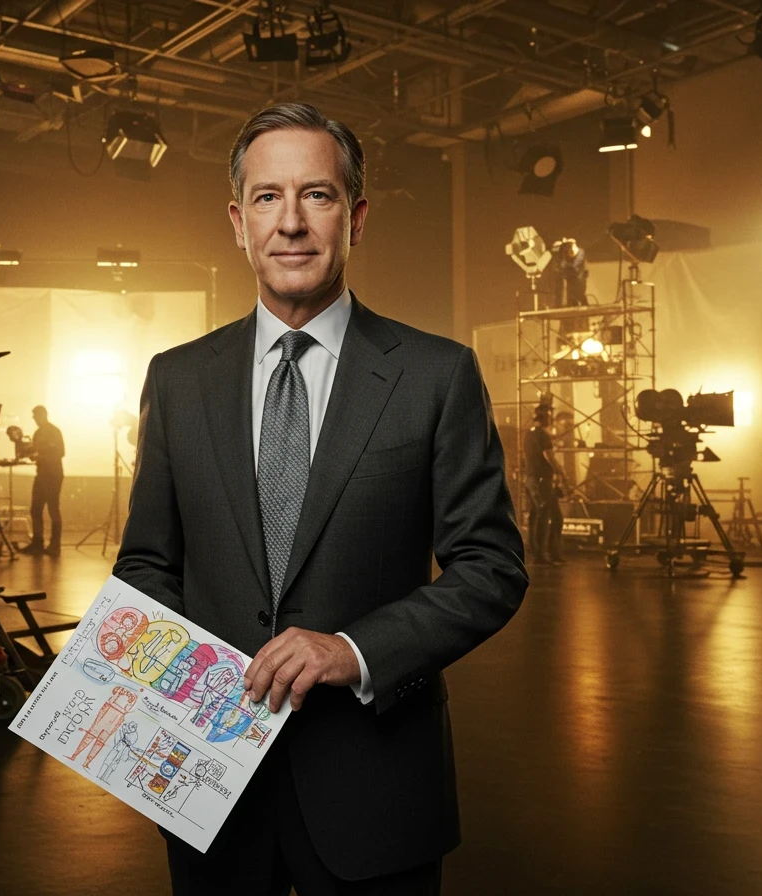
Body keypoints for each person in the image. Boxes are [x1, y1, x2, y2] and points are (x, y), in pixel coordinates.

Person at [112, 102, 526, 895]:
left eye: (318, 195)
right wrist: (178, 684)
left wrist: (355, 650)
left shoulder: (436, 375)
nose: (291, 223)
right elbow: (146, 564)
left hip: (375, 789)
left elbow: (491, 567)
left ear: (356, 217)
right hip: (208, 787)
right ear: (238, 222)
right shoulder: (179, 377)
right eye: (268, 197)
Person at [522, 403, 566, 565]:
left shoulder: (528, 434)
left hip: (532, 480)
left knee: (537, 516)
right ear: (545, 418)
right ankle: (544, 554)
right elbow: (549, 457)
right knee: (548, 517)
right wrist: (561, 473)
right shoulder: (542, 436)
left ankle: (538, 551)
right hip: (542, 482)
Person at [23, 405, 64, 557]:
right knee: (35, 509)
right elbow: (35, 452)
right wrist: (29, 452)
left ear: (43, 415)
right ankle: (38, 543)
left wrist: (39, 456)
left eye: (35, 416)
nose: (34, 419)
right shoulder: (38, 433)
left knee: (53, 509)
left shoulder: (54, 431)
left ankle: (55, 545)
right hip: (41, 474)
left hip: (53, 474)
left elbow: (60, 452)